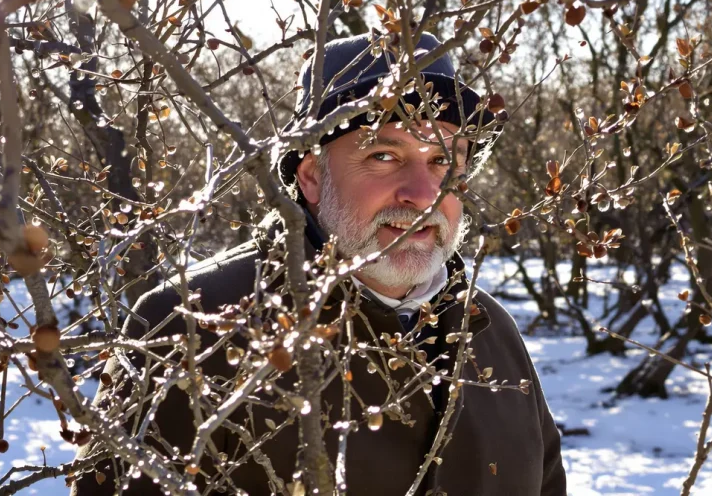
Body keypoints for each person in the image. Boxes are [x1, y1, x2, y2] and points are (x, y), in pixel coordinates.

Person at [72, 33, 567, 495]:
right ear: (311, 176)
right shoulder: (192, 328)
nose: (424, 195)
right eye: (384, 156)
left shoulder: (490, 331)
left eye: (442, 161)